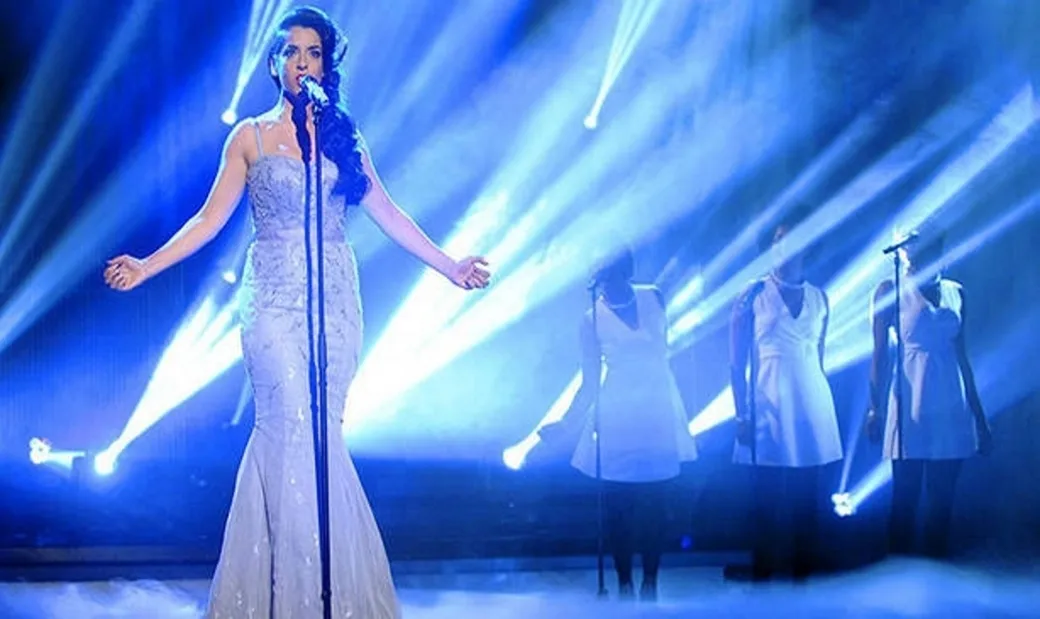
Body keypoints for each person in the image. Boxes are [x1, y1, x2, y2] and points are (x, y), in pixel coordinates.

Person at [104, 7, 490, 618]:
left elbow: (386, 211)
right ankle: (283, 601)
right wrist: (147, 265)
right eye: (290, 52)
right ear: (275, 62)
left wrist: (449, 265)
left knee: (322, 435)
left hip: (336, 296)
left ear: (325, 64)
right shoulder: (250, 138)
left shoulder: (343, 134)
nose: (301, 62)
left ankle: (330, 597)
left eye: (312, 53)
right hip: (274, 297)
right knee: (286, 426)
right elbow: (209, 219)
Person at [538, 247, 697, 602]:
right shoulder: (591, 319)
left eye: (609, 275)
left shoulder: (654, 297)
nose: (604, 284)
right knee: (619, 504)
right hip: (618, 412)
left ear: (623, 272)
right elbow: (590, 380)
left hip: (656, 408)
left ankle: (651, 581)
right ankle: (625, 581)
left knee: (655, 500)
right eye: (600, 278)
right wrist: (566, 425)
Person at [729, 210, 843, 581]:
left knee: (807, 502)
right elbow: (735, 363)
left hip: (810, 401)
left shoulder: (819, 297)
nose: (783, 247)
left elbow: (819, 356)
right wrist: (740, 415)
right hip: (767, 405)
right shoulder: (752, 295)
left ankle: (802, 583)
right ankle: (762, 584)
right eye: (777, 240)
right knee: (765, 504)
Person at [866, 227, 991, 559]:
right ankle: (898, 573)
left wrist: (979, 417)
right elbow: (879, 354)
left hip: (951, 400)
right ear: (906, 252)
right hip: (910, 402)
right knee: (905, 497)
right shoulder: (890, 290)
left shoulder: (956, 292)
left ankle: (935, 571)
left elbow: (962, 355)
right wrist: (874, 408)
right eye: (918, 248)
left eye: (934, 247)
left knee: (942, 499)